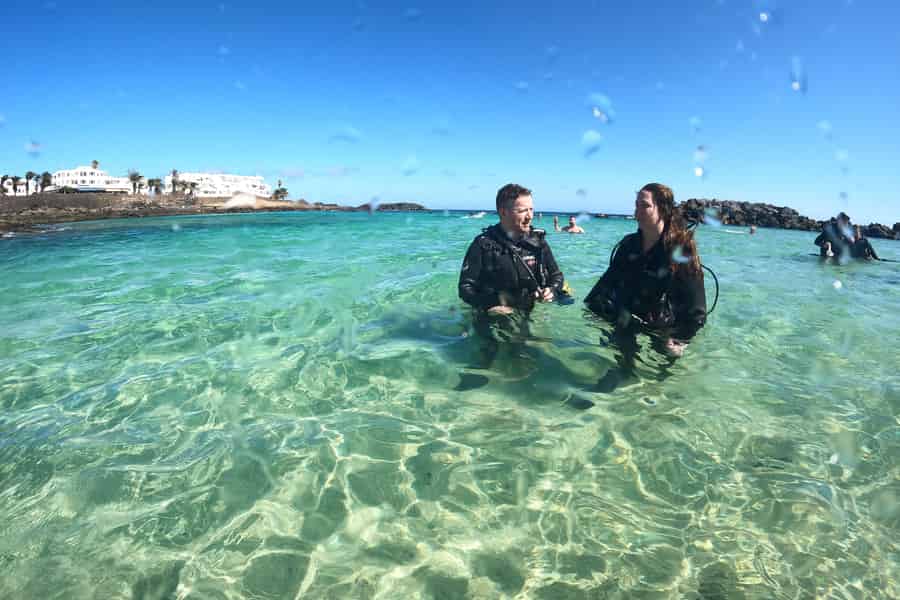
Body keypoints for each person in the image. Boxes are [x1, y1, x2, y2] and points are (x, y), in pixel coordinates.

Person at [585, 183, 706, 389]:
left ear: (664, 210)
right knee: (620, 368)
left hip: (666, 326)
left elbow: (697, 309)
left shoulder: (680, 250)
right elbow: (607, 282)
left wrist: (681, 339)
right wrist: (591, 306)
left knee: (660, 378)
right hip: (628, 317)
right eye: (636, 205)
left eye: (645, 206)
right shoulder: (629, 245)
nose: (637, 211)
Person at [459, 184, 565, 370]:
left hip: (526, 310)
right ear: (503, 212)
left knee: (525, 358)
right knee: (484, 360)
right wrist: (491, 304)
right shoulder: (483, 245)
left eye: (531, 209)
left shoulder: (538, 242)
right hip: (490, 313)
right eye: (522, 210)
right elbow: (465, 288)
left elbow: (556, 275)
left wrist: (552, 290)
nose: (530, 215)